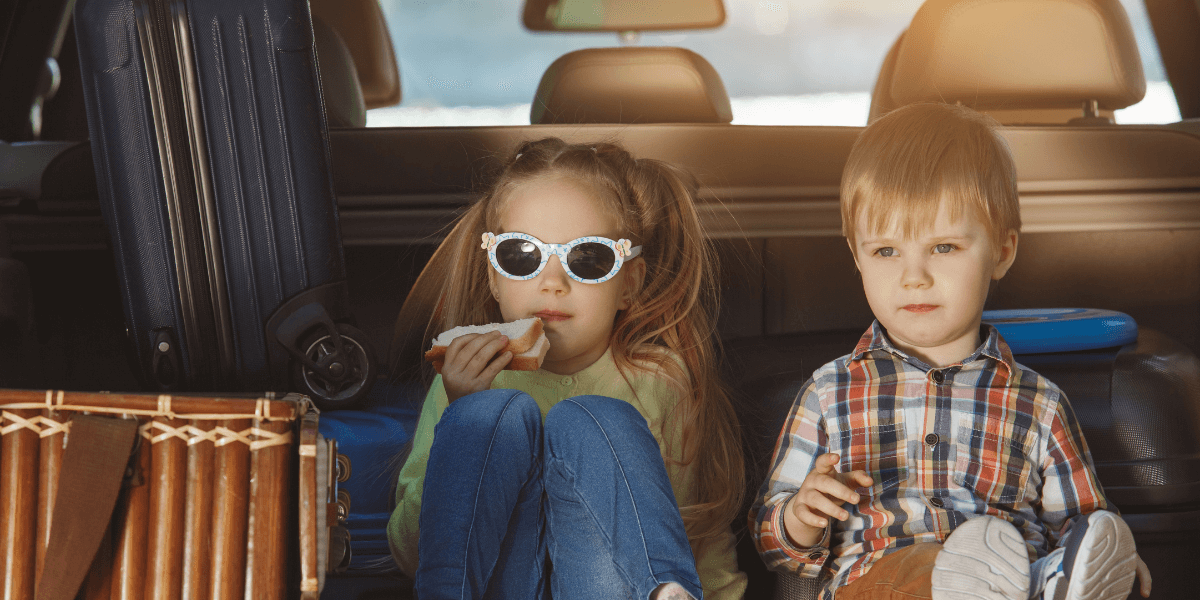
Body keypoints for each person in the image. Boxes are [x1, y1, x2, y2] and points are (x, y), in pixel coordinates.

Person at [748, 103, 1153, 600]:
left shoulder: (1040, 404)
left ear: (1001, 252)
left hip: (1014, 576)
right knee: (924, 572)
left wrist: (1105, 554)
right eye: (886, 251)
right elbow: (772, 543)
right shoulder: (829, 394)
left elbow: (1080, 522)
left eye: (943, 248)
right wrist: (799, 515)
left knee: (1049, 563)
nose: (914, 275)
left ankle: (1043, 586)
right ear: (857, 256)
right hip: (880, 579)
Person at [386, 137, 746, 600]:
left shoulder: (660, 380)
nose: (552, 282)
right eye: (521, 255)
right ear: (494, 277)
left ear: (628, 285)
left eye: (588, 258)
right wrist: (461, 418)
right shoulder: (462, 382)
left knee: (594, 420)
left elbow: (699, 530)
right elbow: (410, 551)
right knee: (490, 418)